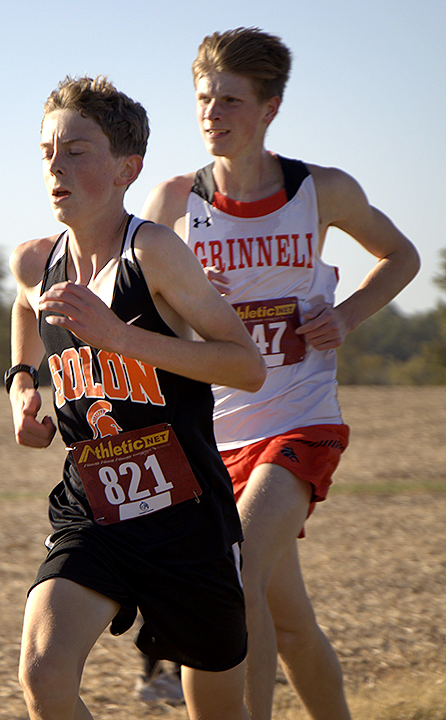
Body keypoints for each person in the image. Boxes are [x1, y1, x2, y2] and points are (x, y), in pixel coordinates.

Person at [141, 27, 420, 720]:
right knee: (287, 620)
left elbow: (401, 255)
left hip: (300, 419)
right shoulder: (174, 202)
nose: (211, 113)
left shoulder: (319, 190)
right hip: (214, 436)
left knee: (236, 570)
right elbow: (143, 310)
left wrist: (347, 316)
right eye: (203, 99)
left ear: (268, 109)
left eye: (229, 100)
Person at [6, 74, 266, 720]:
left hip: (183, 514)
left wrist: (121, 339)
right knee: (43, 671)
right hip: (92, 505)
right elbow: (22, 310)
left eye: (76, 150)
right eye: (46, 152)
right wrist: (21, 387)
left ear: (128, 168)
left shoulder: (152, 253)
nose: (55, 166)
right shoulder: (38, 261)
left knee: (216, 709)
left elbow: (245, 366)